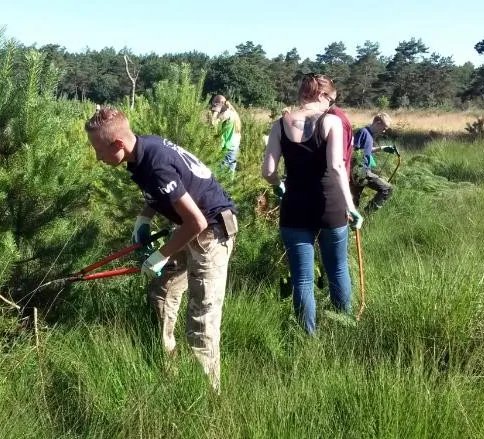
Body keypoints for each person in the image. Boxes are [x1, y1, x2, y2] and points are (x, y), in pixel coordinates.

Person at [85, 107, 238, 391]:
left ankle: (209, 395)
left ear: (118, 144)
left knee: (201, 318)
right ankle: (170, 371)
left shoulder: (155, 164)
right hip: (189, 228)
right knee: (162, 292)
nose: (97, 157)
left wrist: (160, 255)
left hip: (212, 232)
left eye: (99, 150)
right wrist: (144, 218)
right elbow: (161, 192)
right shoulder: (141, 151)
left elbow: (197, 221)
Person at [261, 74, 362, 335]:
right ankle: (344, 325)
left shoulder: (280, 124)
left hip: (295, 206)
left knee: (303, 279)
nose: (331, 105)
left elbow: (268, 171)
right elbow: (337, 166)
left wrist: (279, 186)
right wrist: (351, 207)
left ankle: (308, 336)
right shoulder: (331, 122)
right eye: (331, 100)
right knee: (337, 267)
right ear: (321, 95)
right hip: (330, 204)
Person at [351, 113, 397, 212]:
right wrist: (357, 170)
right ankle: (367, 214)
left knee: (354, 201)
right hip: (360, 171)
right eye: (384, 127)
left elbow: (367, 149)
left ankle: (353, 219)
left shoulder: (370, 135)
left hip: (363, 170)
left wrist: (382, 148)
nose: (384, 131)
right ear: (378, 122)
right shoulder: (363, 132)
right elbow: (353, 150)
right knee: (387, 189)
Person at [209, 95, 242, 175]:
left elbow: (213, 123)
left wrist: (215, 112)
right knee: (230, 173)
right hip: (234, 147)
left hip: (227, 148)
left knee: (221, 173)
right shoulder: (233, 112)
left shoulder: (226, 113)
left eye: (214, 105)